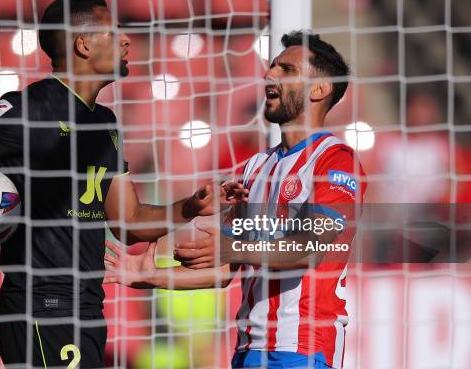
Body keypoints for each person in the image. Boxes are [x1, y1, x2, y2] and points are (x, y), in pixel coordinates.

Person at [0, 0, 247, 368]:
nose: (125, 40)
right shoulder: (27, 108)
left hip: (86, 304)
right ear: (83, 44)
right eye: (112, 31)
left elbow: (129, 222)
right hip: (40, 303)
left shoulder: (105, 123)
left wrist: (191, 207)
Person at [106, 31, 367, 369]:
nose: (269, 74)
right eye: (272, 66)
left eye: (286, 70)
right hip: (247, 350)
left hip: (302, 348)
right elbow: (225, 270)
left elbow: (309, 248)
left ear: (319, 90)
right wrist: (155, 276)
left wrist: (235, 248)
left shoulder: (336, 161)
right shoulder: (253, 169)